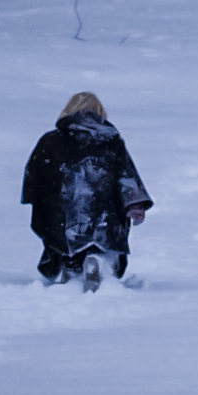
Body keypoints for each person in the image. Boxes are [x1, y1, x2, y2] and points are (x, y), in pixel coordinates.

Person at [22, 92, 152, 289]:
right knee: (103, 243)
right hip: (105, 213)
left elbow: (34, 176)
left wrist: (40, 201)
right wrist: (135, 203)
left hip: (62, 212)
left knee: (62, 243)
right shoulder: (110, 141)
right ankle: (97, 260)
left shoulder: (49, 141)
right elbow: (126, 174)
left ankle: (71, 265)